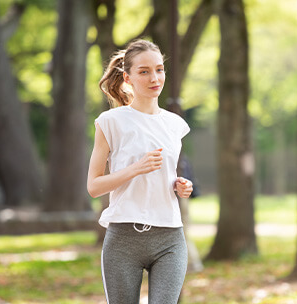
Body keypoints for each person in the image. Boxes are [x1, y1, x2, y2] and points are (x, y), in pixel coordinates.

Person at [87, 39, 193, 304]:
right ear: (128, 77)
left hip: (169, 237)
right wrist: (134, 169)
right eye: (144, 71)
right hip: (124, 238)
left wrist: (181, 186)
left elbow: (165, 176)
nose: (154, 77)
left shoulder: (175, 125)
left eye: (159, 69)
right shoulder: (111, 122)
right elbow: (94, 186)